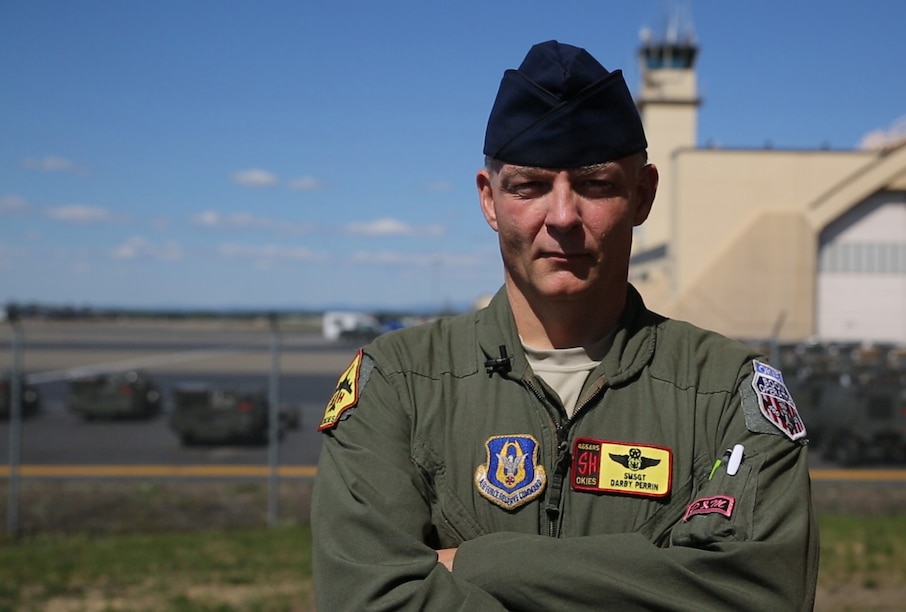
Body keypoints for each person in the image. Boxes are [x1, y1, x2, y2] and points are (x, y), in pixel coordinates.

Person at [311, 40, 819, 610]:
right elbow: (367, 596)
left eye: (595, 185)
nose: (562, 217)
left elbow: (761, 595)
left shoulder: (724, 391)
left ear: (643, 195)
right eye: (528, 187)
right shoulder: (401, 383)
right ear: (489, 199)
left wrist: (486, 563)